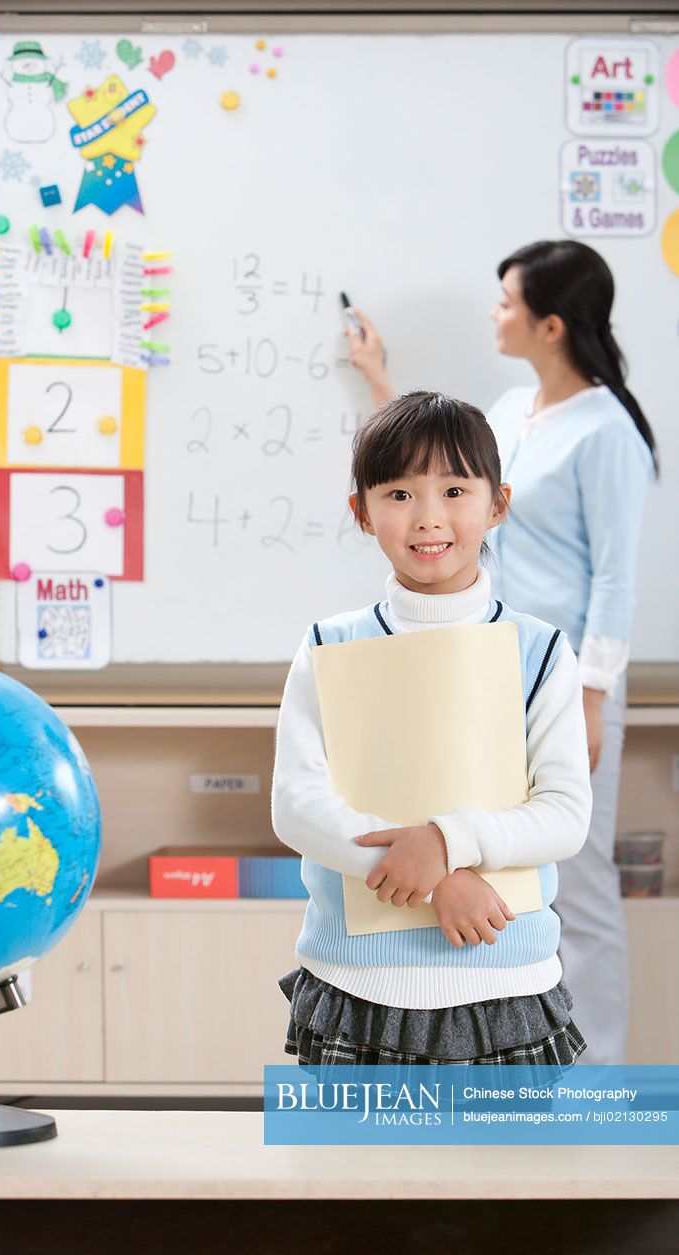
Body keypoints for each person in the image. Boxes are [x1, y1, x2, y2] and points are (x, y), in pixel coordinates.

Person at [347, 241, 656, 1064]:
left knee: (576, 884)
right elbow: (448, 484)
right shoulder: (516, 407)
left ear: (550, 325)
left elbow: (619, 580)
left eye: (507, 302)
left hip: (562, 683)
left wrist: (591, 697)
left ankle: (595, 1072)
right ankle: (512, 1060)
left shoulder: (608, 431)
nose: (495, 313)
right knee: (490, 855)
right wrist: (380, 383)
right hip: (479, 669)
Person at [272, 391, 592, 1067]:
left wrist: (448, 841)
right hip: (357, 985)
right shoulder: (329, 645)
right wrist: (436, 875)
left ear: (497, 503)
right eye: (398, 494)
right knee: (348, 1178)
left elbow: (564, 813)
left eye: (454, 489)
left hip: (507, 983)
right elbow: (297, 807)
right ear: (361, 511)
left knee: (512, 1177)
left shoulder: (539, 650)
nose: (429, 518)